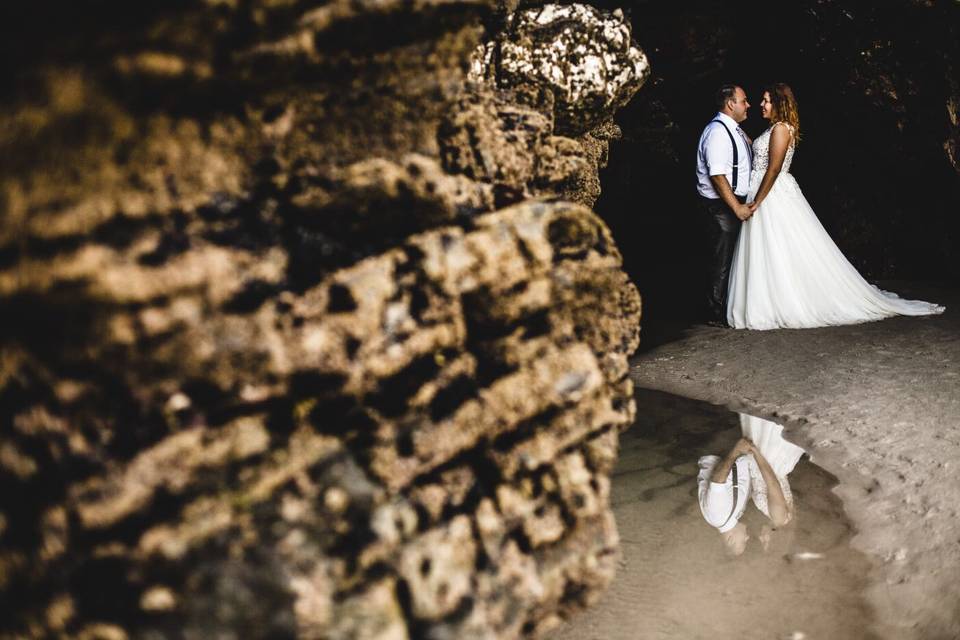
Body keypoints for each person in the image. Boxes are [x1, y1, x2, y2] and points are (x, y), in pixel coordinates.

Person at [726, 83, 945, 329]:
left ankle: (784, 302)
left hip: (771, 194)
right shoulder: (773, 129)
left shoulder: (780, 129)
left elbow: (774, 169)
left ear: (779, 104)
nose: (761, 105)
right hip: (766, 191)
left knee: (779, 248)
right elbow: (763, 154)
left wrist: (758, 201)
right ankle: (769, 299)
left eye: (766, 100)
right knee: (771, 249)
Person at [697, 413, 805, 555]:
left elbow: (718, 481)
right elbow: (772, 483)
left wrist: (746, 452)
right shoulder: (779, 518)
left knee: (771, 419)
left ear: (730, 540)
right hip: (767, 459)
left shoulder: (719, 516)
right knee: (773, 420)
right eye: (765, 541)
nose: (751, 537)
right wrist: (754, 452)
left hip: (763, 457)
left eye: (744, 541)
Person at [696, 84, 757, 326]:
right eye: (744, 100)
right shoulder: (717, 132)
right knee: (721, 260)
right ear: (731, 104)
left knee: (731, 258)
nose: (748, 105)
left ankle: (727, 307)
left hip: (730, 202)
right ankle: (716, 312)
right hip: (719, 206)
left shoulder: (734, 130)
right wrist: (737, 207)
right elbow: (718, 175)